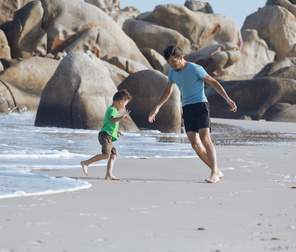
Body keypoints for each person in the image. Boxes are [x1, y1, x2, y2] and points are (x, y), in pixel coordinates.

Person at [148, 44, 237, 183]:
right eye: (169, 62)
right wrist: (157, 107)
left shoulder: (195, 69)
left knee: (204, 138)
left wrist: (228, 99)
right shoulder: (172, 73)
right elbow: (168, 90)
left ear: (181, 57)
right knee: (195, 145)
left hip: (201, 106)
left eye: (173, 61)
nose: (171, 65)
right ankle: (217, 170)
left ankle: (214, 173)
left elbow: (214, 82)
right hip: (187, 108)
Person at [81, 89, 132, 180]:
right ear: (121, 102)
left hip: (108, 135)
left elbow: (110, 124)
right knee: (106, 155)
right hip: (105, 136)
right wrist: (122, 117)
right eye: (125, 104)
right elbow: (112, 120)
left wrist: (116, 131)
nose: (125, 106)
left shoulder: (113, 110)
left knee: (113, 155)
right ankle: (85, 163)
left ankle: (109, 174)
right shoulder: (112, 110)